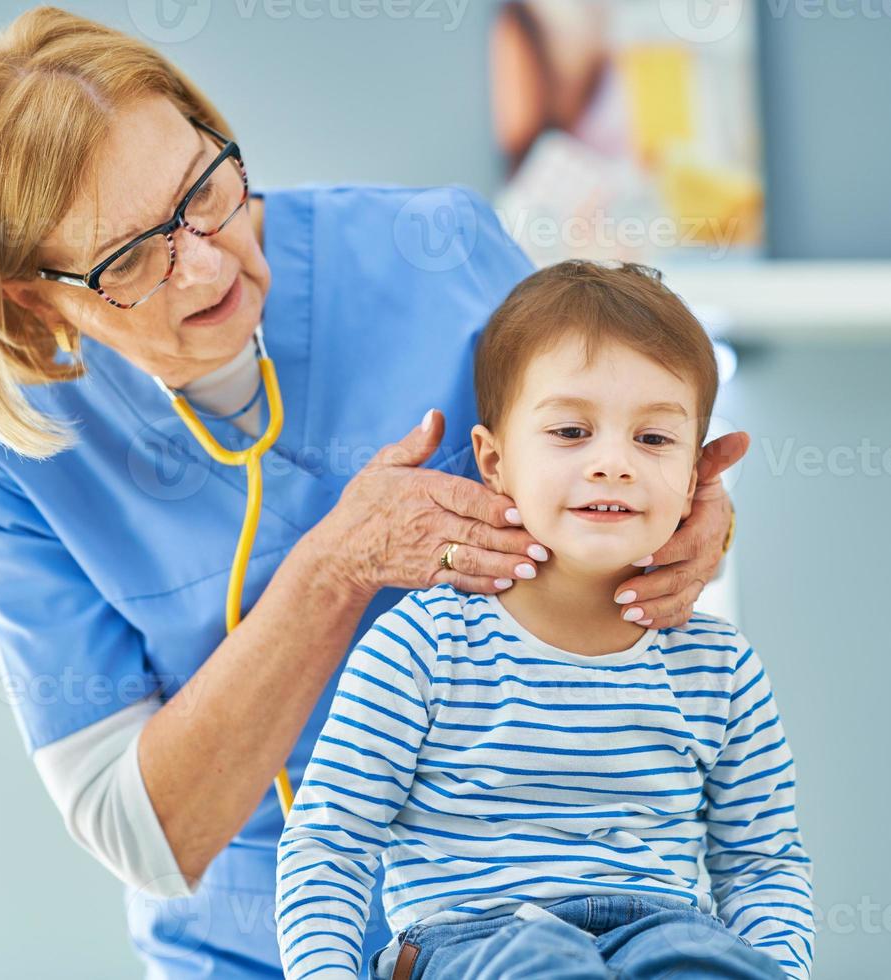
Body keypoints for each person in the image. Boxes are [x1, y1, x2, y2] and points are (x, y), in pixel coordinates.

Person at [0, 7, 747, 977]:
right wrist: (329, 571)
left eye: (204, 191)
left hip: (522, 907)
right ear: (33, 294)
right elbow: (145, 835)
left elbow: (622, 463)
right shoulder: (16, 450)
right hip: (248, 946)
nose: (210, 261)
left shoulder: (434, 252)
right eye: (131, 258)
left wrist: (690, 523)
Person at [275, 262, 811, 980]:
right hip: (471, 947)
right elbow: (329, 842)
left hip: (665, 933)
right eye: (570, 430)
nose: (614, 463)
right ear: (495, 463)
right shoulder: (422, 647)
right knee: (543, 962)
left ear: (691, 482)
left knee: (700, 961)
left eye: (653, 440)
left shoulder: (719, 666)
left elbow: (762, 863)